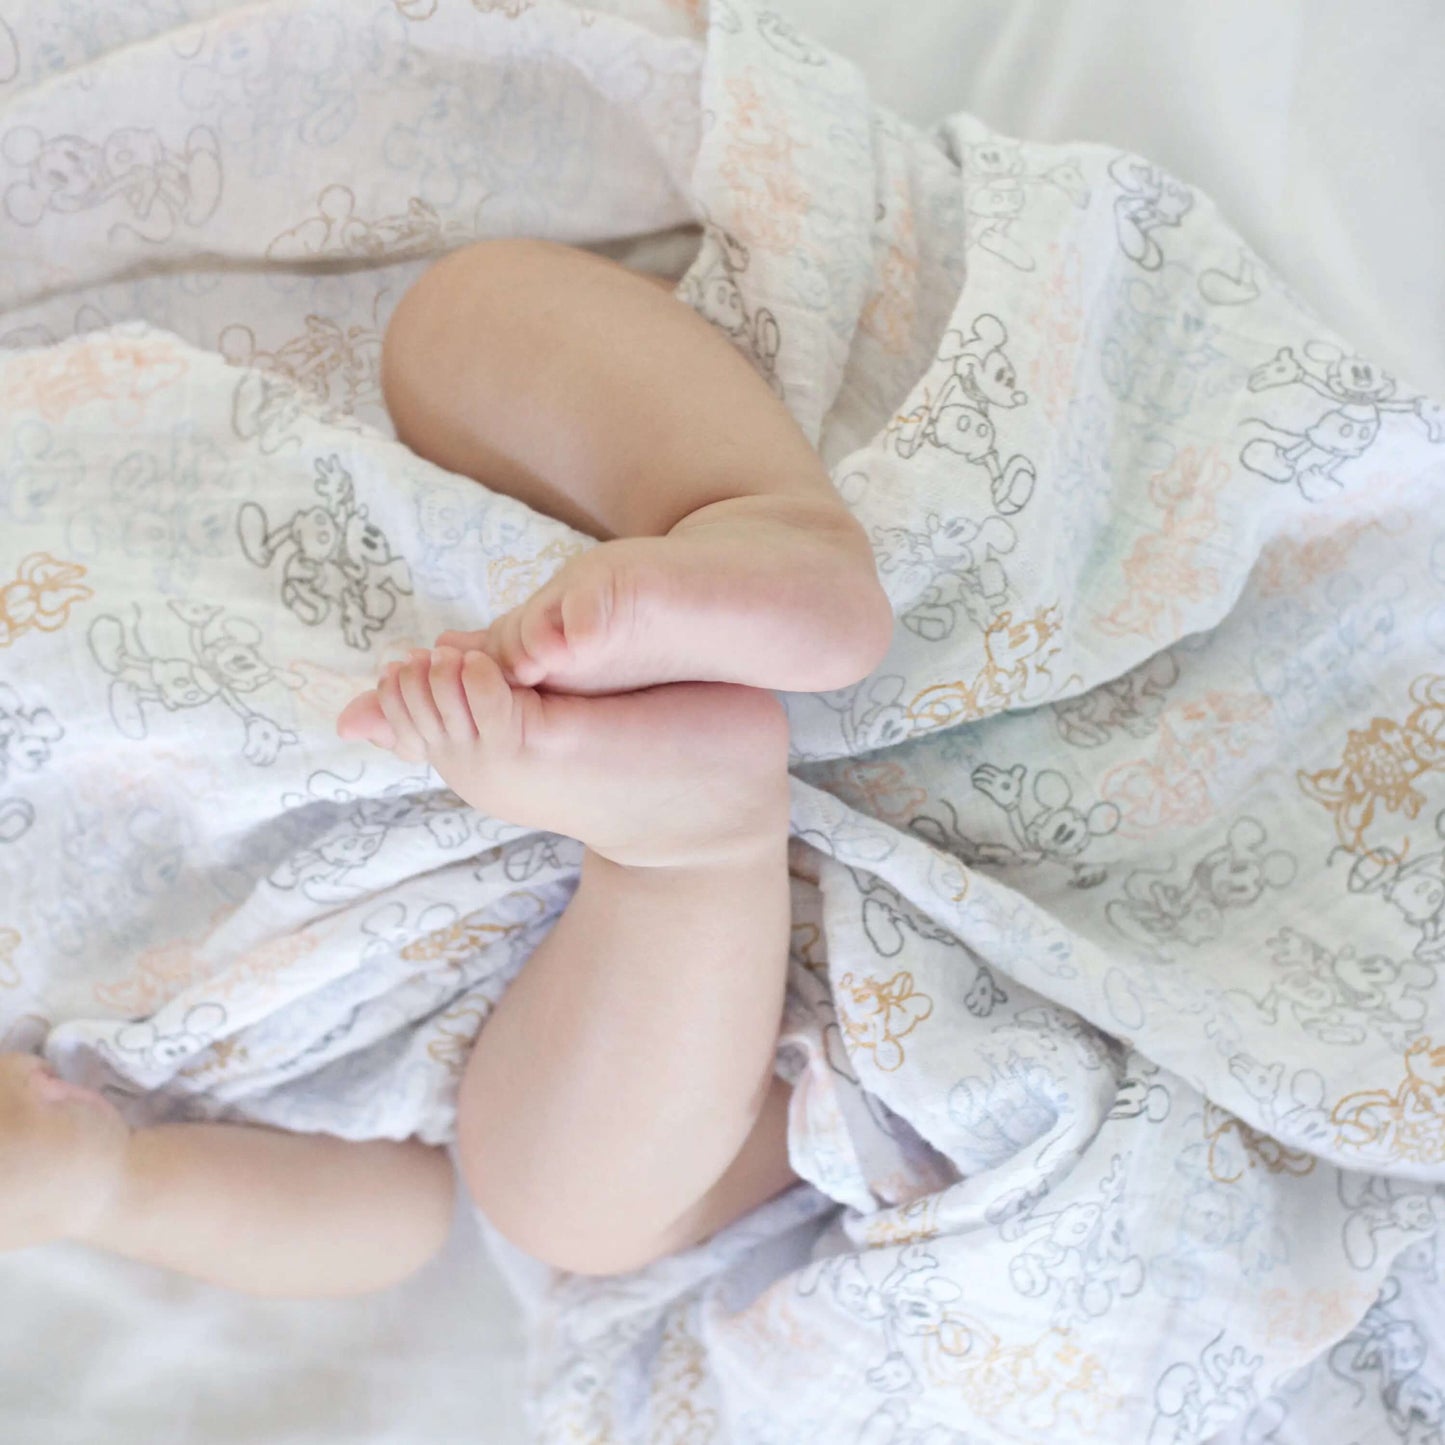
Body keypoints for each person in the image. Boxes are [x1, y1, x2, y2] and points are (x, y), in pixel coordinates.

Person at [0, 239, 894, 1295]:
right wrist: (108, 1186)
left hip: (438, 588)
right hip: (521, 961)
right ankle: (689, 842)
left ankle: (754, 524)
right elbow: (390, 1208)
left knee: (461, 322)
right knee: (559, 1202)